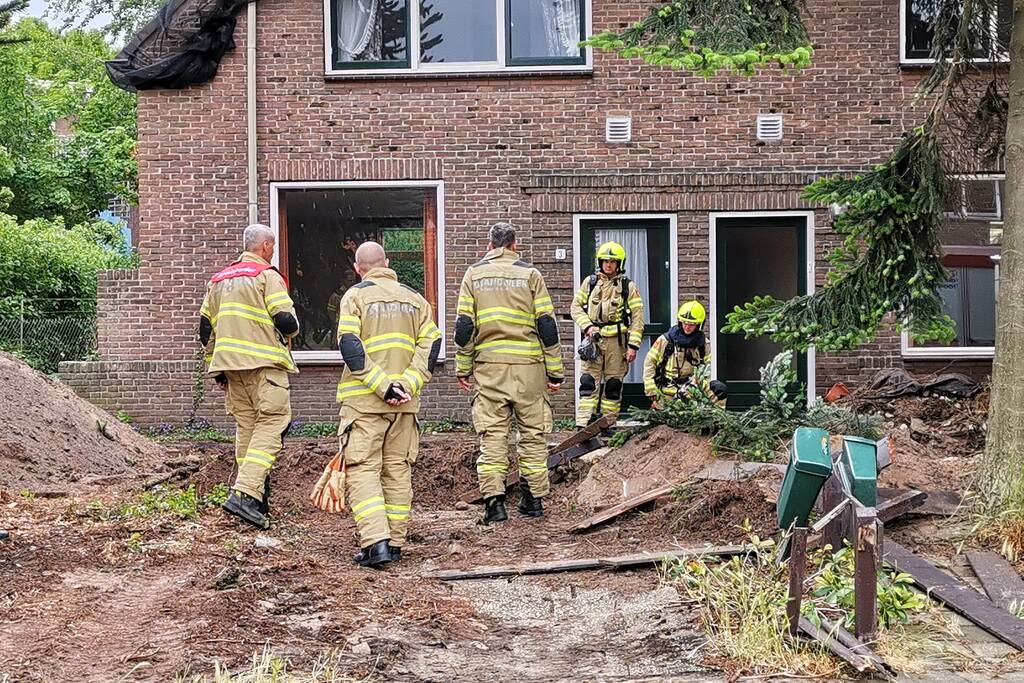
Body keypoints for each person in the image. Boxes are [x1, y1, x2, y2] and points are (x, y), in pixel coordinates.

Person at [335, 241, 441, 568]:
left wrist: (383, 386)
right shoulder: (416, 300)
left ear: (358, 268)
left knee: (363, 470)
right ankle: (395, 543)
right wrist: (406, 384)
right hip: (405, 405)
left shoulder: (355, 297)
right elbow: (432, 345)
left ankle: (376, 542)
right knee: (397, 470)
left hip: (365, 403)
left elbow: (349, 345)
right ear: (388, 262)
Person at [454, 222, 563, 524]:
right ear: (515, 246)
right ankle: (533, 500)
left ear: (489, 245)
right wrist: (555, 372)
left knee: (493, 437)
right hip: (529, 368)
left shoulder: (474, 274)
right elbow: (547, 327)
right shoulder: (530, 274)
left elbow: (464, 328)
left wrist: (462, 368)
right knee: (532, 436)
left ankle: (494, 504)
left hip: (489, 370)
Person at [199, 224, 299, 530]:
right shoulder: (267, 276)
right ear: (266, 246)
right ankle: (244, 494)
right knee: (271, 424)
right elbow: (285, 319)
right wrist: (293, 332)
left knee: (247, 430)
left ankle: (255, 500)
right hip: (265, 366)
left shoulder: (217, 281)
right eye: (272, 247)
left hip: (231, 369)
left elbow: (205, 329)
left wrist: (216, 366)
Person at [570, 241, 645, 428]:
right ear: (600, 262)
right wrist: (588, 327)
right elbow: (575, 307)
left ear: (619, 264)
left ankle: (607, 425)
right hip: (593, 342)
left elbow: (637, 318)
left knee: (613, 385)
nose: (609, 265)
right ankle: (583, 426)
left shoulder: (629, 286)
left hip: (617, 344)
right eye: (605, 261)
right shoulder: (590, 283)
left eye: (613, 261)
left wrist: (633, 346)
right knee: (587, 383)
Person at [642, 300, 728, 408]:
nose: (687, 327)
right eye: (684, 322)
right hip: (667, 390)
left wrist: (694, 386)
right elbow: (650, 362)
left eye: (691, 324)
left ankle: (716, 420)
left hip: (692, 390)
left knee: (719, 389)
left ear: (699, 325)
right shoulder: (666, 340)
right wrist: (650, 388)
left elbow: (706, 370)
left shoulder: (703, 344)